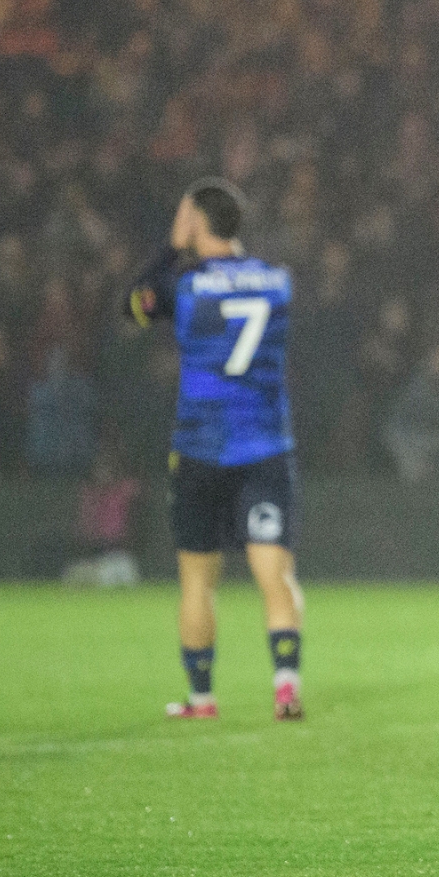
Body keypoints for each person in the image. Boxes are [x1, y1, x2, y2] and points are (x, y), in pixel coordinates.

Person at [123, 179, 304, 722]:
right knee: (276, 572)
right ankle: (286, 687)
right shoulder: (278, 282)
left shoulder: (185, 286)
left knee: (198, 580)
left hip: (201, 446)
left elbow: (133, 306)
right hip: (267, 444)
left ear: (196, 221)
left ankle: (202, 698)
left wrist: (170, 249)